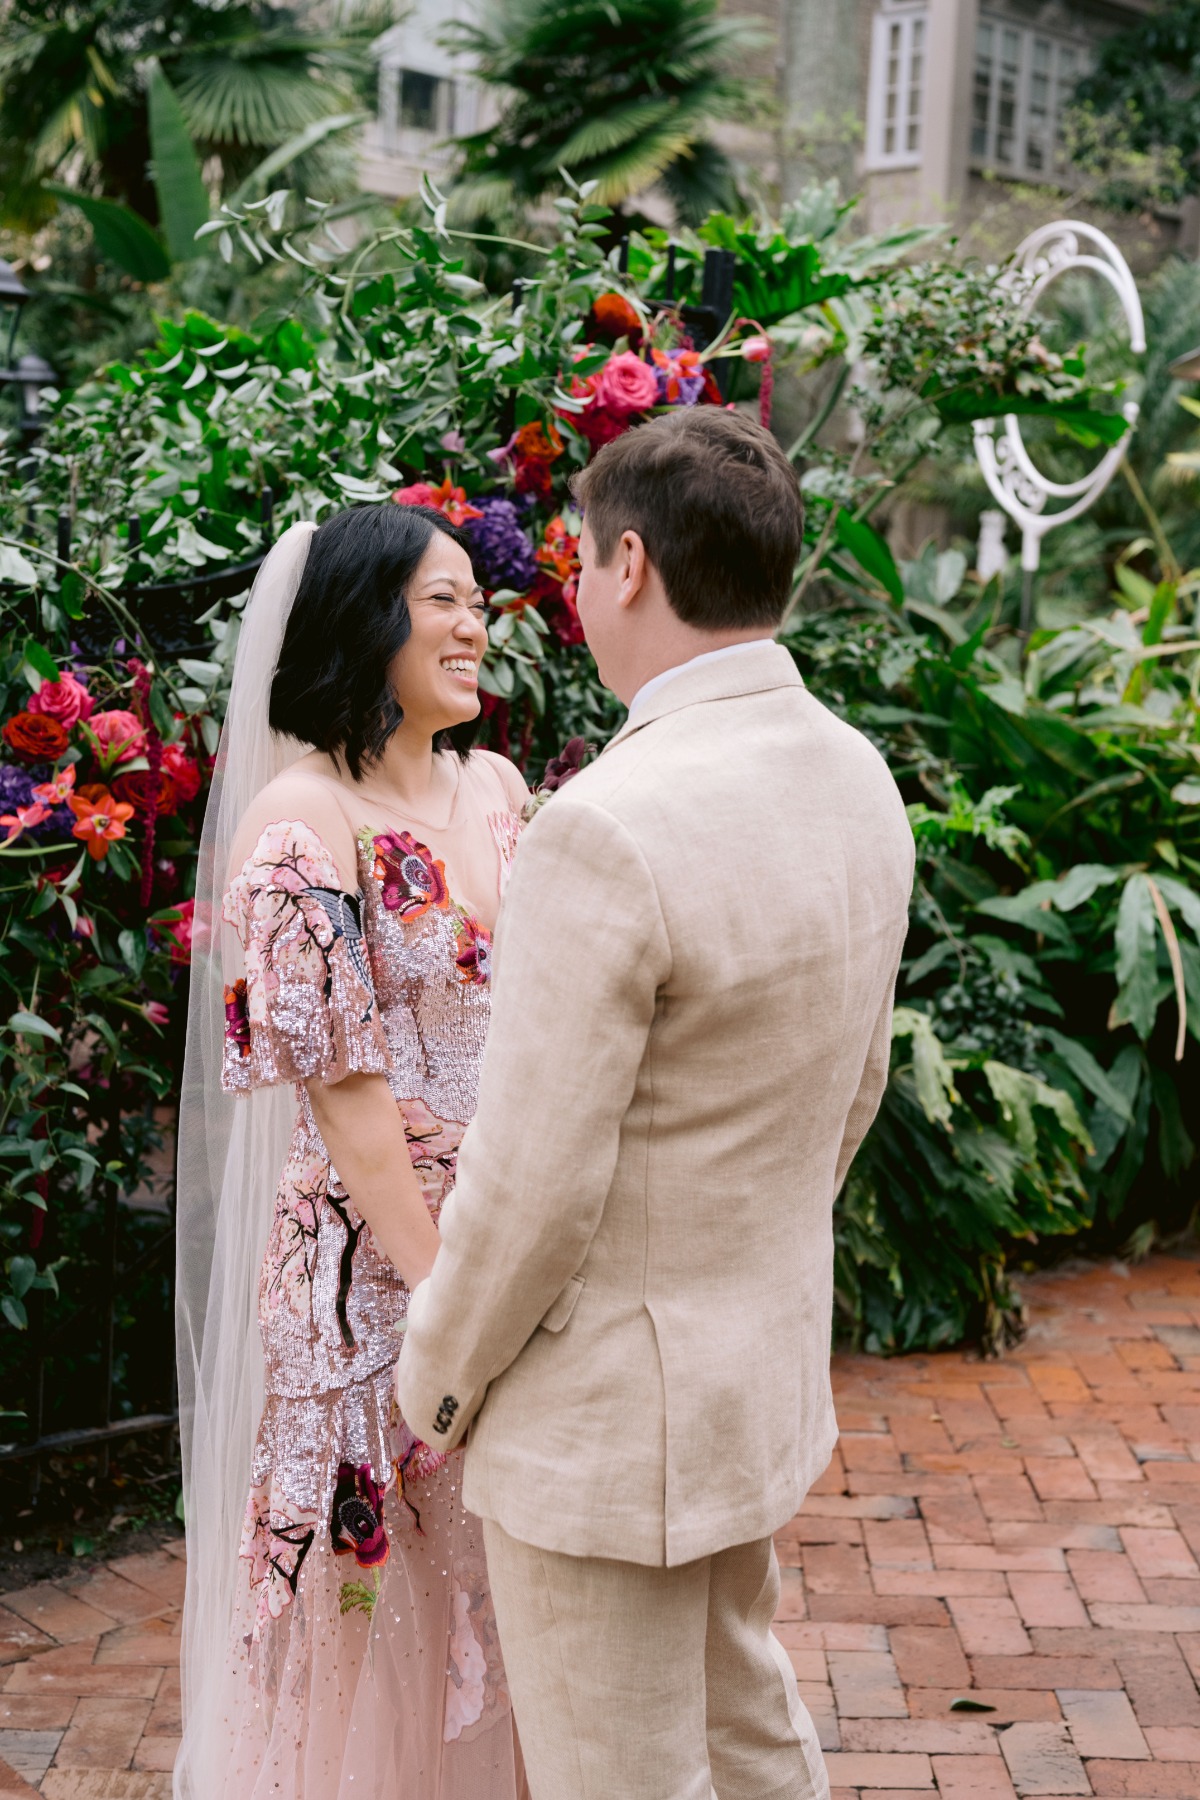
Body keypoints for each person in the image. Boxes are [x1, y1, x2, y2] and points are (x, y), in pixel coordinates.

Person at [397, 408, 915, 1800]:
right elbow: (852, 1089)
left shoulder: (606, 825)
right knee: (749, 1740)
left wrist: (433, 1381)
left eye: (575, 560)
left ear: (630, 563)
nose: (569, 593)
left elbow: (531, 1185)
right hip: (752, 1374)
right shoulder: (857, 778)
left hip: (606, 1424)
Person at [175, 504, 530, 1799]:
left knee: (502, 1599)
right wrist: (455, 1303)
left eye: (473, 600)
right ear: (365, 619)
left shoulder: (496, 790)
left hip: (509, 1247)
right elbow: (349, 1101)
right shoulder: (302, 819)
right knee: (372, 1613)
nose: (473, 621)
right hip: (374, 1287)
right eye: (441, 598)